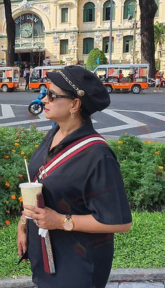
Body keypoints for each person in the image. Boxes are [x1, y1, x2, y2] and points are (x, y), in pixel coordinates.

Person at [17, 66, 132, 288]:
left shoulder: (98, 155)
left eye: (52, 95)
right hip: (46, 254)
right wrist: (24, 224)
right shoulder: (54, 134)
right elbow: (41, 185)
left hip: (77, 263)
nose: (44, 100)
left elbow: (121, 222)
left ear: (75, 104)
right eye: (44, 92)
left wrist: (60, 221)